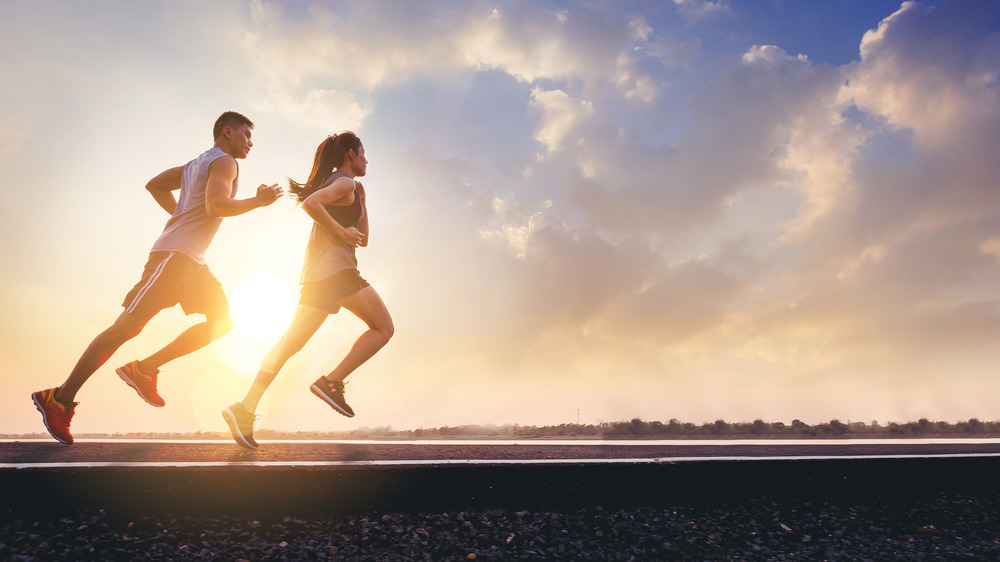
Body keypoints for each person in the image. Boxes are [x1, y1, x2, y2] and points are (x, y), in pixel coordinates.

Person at [32, 111, 283, 445]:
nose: (251, 143)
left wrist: (181, 215)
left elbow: (156, 184)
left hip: (191, 261)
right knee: (127, 328)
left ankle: (143, 369)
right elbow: (216, 207)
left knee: (222, 322)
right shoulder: (225, 163)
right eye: (247, 135)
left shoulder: (197, 163)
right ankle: (59, 398)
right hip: (173, 258)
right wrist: (259, 201)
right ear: (227, 132)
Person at [223, 131, 393, 449]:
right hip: (337, 274)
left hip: (318, 278)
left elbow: (363, 239)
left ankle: (244, 408)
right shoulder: (341, 182)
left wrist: (362, 205)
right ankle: (332, 382)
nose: (367, 160)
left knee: (288, 346)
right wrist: (342, 229)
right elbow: (311, 205)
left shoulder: (348, 187)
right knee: (383, 328)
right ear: (352, 154)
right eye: (364, 153)